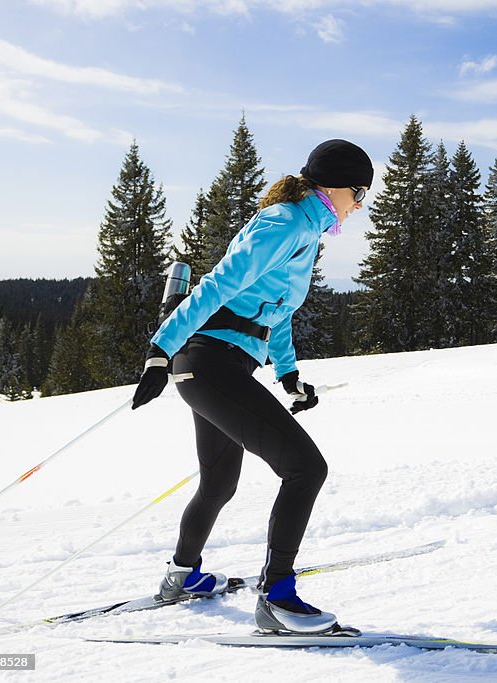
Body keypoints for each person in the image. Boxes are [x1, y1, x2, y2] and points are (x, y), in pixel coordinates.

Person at [130, 139, 373, 634]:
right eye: (360, 194)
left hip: (223, 366)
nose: (360, 205)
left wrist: (289, 376)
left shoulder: (305, 228)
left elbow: (276, 315)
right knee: (306, 469)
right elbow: (217, 284)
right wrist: (160, 348)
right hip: (208, 361)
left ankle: (182, 577)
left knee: (220, 481)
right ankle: (278, 598)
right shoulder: (284, 222)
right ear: (340, 187)